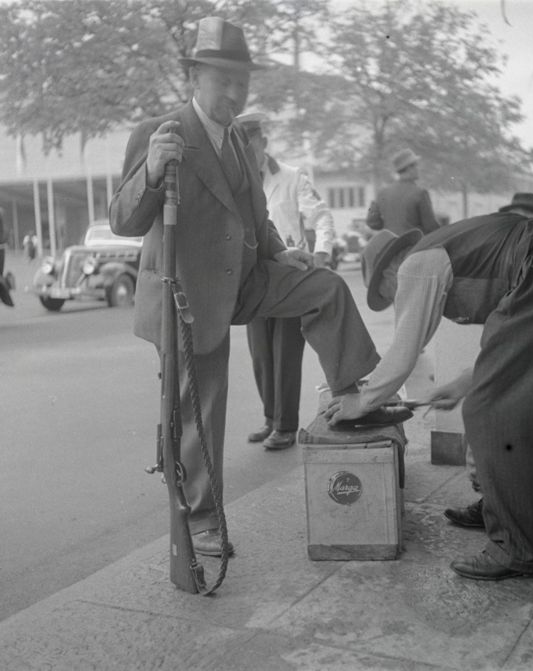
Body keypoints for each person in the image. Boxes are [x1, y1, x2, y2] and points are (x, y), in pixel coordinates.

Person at [109, 17, 392, 558]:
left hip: (245, 277)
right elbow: (123, 220)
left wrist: (279, 252)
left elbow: (252, 214)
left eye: (241, 82)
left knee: (325, 287)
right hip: (186, 296)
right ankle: (200, 522)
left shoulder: (238, 138)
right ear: (194, 76)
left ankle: (354, 396)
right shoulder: (158, 132)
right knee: (201, 410)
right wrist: (151, 172)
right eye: (223, 81)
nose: (235, 94)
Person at [325, 211, 533, 580]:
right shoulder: (452, 251)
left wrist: (362, 400)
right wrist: (465, 383)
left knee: (488, 410)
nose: (398, 301)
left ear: (390, 272)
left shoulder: (415, 264)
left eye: (388, 295)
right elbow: (510, 342)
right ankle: (503, 507)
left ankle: (517, 547)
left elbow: (404, 351)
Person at [444, 191, 533, 529]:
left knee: (503, 425)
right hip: (509, 355)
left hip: (532, 356)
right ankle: (490, 504)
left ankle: (501, 512)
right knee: (486, 417)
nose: (521, 227)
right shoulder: (504, 262)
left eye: (528, 220)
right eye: (515, 219)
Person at [236, 111, 336, 450]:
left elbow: (321, 216)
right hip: (255, 277)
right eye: (240, 148)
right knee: (261, 356)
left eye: (252, 146)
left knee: (285, 354)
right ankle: (270, 419)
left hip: (290, 277)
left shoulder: (293, 177)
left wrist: (321, 252)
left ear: (263, 142)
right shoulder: (239, 182)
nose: (247, 154)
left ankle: (286, 426)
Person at [365, 148, 440, 236]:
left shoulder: (382, 193)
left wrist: (389, 226)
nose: (418, 169)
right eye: (416, 165)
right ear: (409, 168)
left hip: (390, 243)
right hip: (414, 243)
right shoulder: (420, 193)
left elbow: (372, 222)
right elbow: (431, 227)